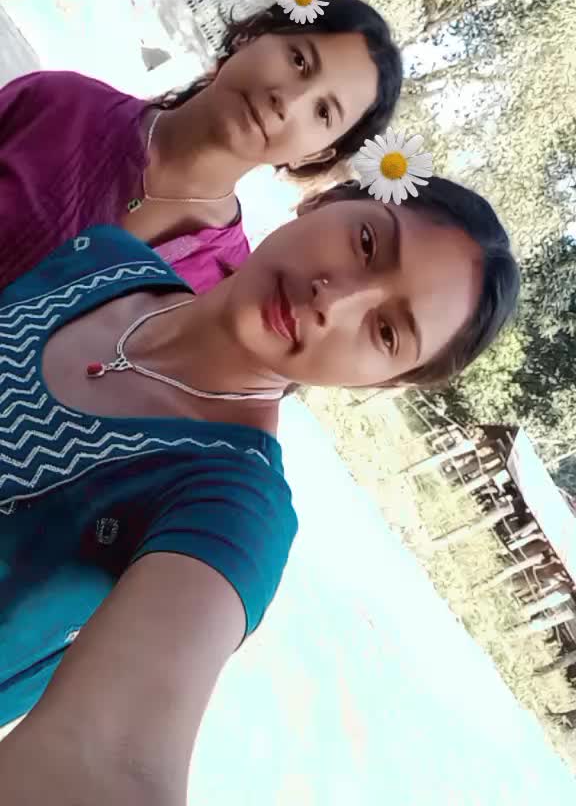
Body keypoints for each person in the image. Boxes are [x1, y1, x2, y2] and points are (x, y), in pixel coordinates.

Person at [0, 176, 519, 802]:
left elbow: (112, 759)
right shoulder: (107, 260)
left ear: (384, 382)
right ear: (327, 200)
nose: (336, 301)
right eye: (366, 243)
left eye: (386, 332)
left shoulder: (233, 505)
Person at [0, 0, 402, 293]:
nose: (289, 100)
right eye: (299, 60)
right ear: (253, 36)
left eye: (323, 112)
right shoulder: (61, 103)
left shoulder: (223, 285)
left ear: (314, 155)